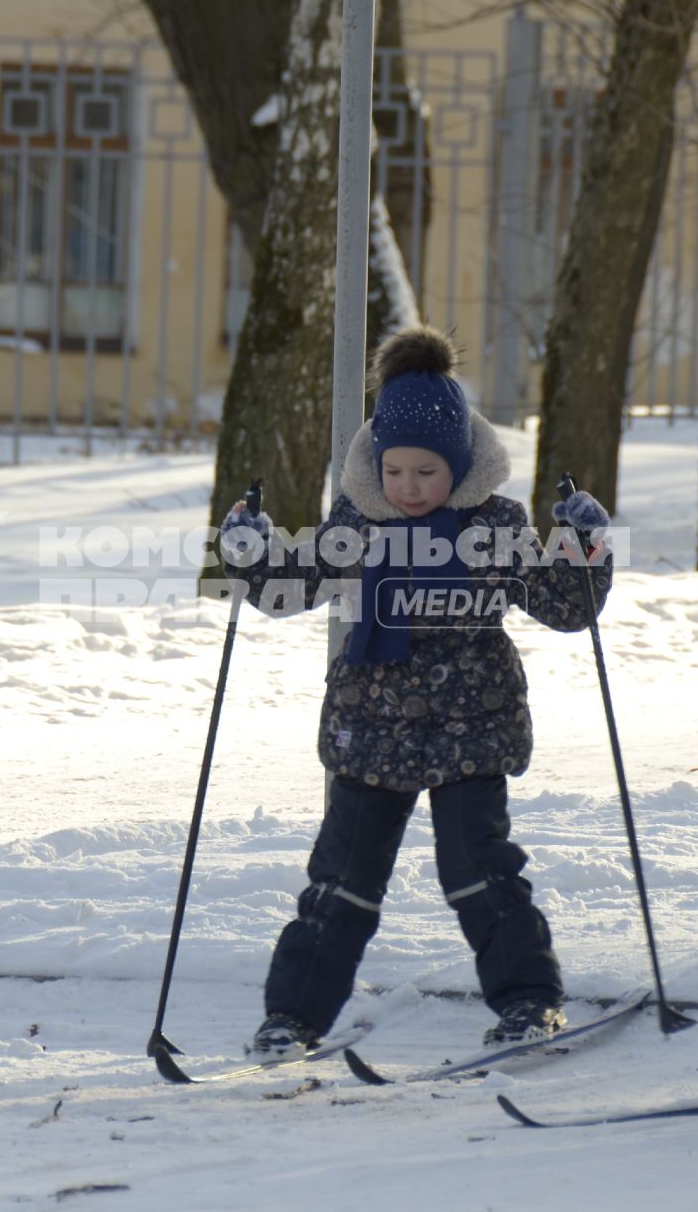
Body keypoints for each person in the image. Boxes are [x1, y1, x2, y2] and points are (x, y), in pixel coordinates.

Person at [215, 326, 614, 1053]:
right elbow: (290, 587)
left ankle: (529, 1001)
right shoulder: (358, 520)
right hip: (371, 726)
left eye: (425, 473)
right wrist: (249, 552)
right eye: (395, 471)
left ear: (457, 466)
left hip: (472, 726)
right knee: (342, 883)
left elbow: (565, 606)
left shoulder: (494, 526)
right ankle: (293, 1018)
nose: (408, 488)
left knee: (481, 874)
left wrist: (584, 547)